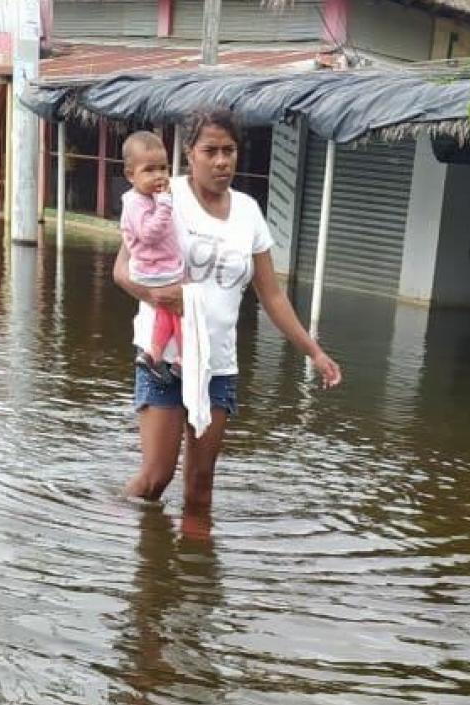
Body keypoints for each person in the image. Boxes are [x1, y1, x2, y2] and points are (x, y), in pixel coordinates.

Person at [113, 108, 342, 513]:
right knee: (155, 478)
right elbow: (122, 270)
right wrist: (158, 297)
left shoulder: (249, 212)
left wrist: (314, 351)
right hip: (164, 358)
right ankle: (110, 532)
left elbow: (271, 295)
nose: (222, 161)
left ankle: (195, 573)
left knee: (201, 484)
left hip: (217, 365)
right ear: (191, 154)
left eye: (229, 150)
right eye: (211, 150)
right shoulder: (164, 194)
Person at [119, 130, 183, 384]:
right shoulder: (137, 203)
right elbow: (148, 234)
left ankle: (153, 351)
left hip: (158, 267)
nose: (158, 176)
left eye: (163, 168)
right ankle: (182, 357)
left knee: (166, 312)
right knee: (181, 312)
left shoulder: (149, 198)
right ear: (130, 175)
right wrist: (165, 204)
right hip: (157, 269)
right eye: (149, 170)